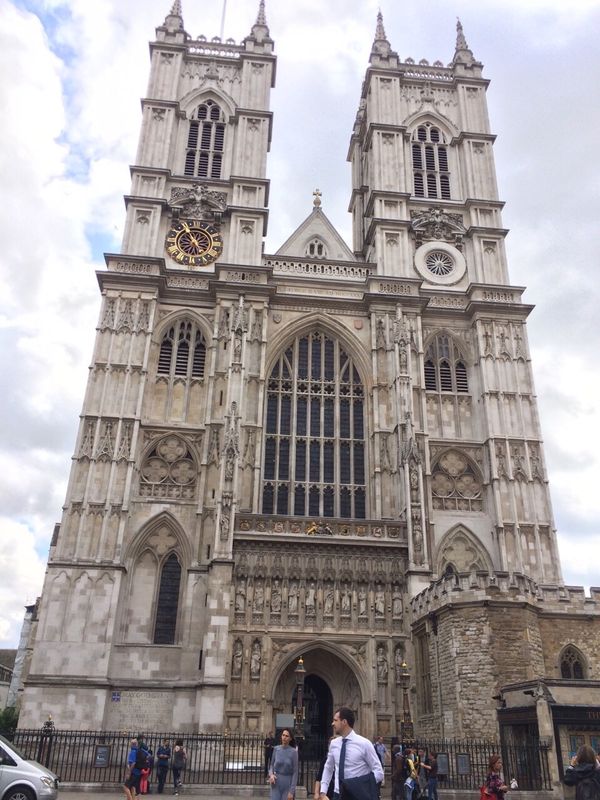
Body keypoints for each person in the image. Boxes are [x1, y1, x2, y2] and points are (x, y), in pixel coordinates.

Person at [319, 707, 384, 800]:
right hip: (337, 795)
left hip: (357, 796)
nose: (332, 723)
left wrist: (360, 786)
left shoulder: (364, 744)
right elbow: (328, 768)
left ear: (344, 722)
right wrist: (323, 792)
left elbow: (379, 773)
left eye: (335, 720)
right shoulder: (334, 744)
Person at [268, 729, 298, 800]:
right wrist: (271, 774)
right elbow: (271, 765)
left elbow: (295, 772)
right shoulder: (276, 749)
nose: (284, 737)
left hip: (288, 782)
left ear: (290, 738)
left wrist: (292, 791)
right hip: (276, 782)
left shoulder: (294, 752)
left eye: (287, 736)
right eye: (283, 735)